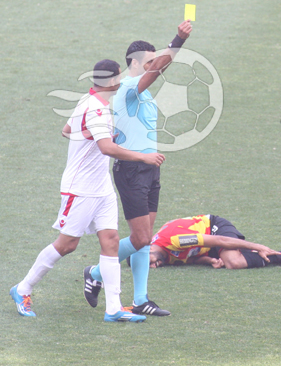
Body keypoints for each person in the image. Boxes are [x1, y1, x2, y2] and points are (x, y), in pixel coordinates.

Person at [10, 60, 165, 322]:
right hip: (80, 188)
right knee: (67, 244)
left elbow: (66, 130)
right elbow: (106, 148)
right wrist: (142, 157)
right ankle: (22, 289)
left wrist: (95, 135)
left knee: (111, 241)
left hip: (101, 187)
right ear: (113, 81)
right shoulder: (95, 108)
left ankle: (113, 308)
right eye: (120, 75)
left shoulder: (89, 100)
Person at [83, 21, 192, 317]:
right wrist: (178, 40)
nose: (154, 63)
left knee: (144, 237)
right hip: (132, 169)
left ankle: (142, 298)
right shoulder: (129, 86)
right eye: (149, 60)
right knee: (141, 238)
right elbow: (158, 70)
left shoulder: (141, 91)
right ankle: (94, 273)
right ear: (136, 62)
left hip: (149, 169)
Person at [145, 214, 281, 270]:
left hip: (216, 227)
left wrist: (259, 247)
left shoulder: (174, 240)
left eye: (151, 262)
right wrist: (209, 261)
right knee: (230, 262)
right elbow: (190, 259)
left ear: (147, 252)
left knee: (234, 262)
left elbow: (219, 239)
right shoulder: (162, 256)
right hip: (209, 244)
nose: (155, 266)